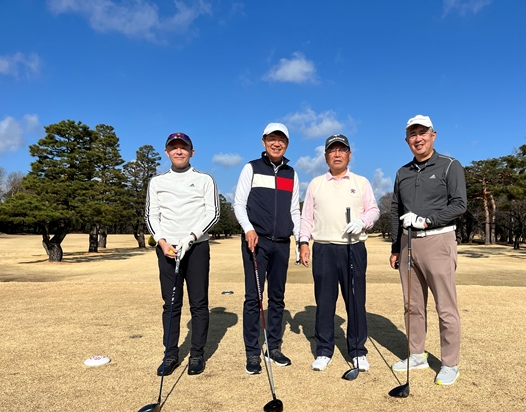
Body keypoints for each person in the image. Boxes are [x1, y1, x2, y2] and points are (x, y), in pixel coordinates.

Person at [389, 115, 467, 386]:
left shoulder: (450, 165)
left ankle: (450, 363)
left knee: (445, 306)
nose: (418, 138)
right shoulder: (402, 172)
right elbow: (396, 210)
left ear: (433, 135)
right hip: (408, 244)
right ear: (407, 140)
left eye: (423, 132)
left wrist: (427, 220)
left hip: (438, 240)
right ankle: (416, 354)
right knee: (412, 305)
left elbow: (459, 205)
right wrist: (395, 247)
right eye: (413, 134)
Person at [299, 134, 380, 372]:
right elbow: (307, 217)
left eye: (341, 150)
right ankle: (324, 350)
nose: (337, 154)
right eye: (332, 150)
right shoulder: (315, 184)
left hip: (353, 247)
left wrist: (362, 221)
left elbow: (374, 210)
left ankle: (358, 351)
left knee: (355, 301)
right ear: (326, 156)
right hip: (324, 248)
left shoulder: (361, 182)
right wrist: (303, 243)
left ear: (349, 155)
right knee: (324, 302)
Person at [145, 132, 220, 376]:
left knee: (199, 303)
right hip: (167, 248)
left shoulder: (204, 179)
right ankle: (170, 355)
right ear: (167, 152)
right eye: (174, 148)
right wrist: (161, 241)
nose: (179, 151)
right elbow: (151, 215)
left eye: (183, 147)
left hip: (196, 247)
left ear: (192, 152)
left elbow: (213, 213)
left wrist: (192, 236)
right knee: (171, 304)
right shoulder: (157, 182)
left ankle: (197, 354)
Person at [234, 123, 301, 375]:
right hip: (256, 242)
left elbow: (294, 210)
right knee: (254, 297)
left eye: (281, 139)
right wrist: (248, 229)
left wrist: (301, 240)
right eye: (272, 138)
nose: (276, 143)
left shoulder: (291, 173)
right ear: (264, 141)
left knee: (277, 298)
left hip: (282, 243)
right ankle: (252, 351)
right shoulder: (251, 168)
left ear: (287, 144)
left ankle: (273, 347)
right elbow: (239, 204)